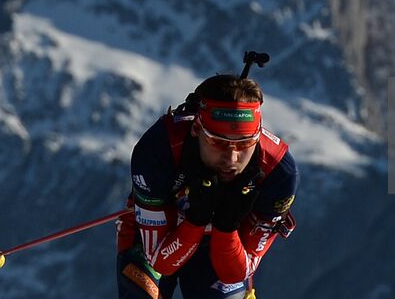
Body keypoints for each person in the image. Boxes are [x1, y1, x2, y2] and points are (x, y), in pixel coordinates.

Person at [116, 73, 298, 298]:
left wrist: (226, 226)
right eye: (218, 142)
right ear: (196, 129)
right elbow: (159, 261)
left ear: (258, 136)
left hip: (223, 244)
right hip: (159, 235)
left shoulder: (278, 172)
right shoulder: (158, 148)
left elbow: (237, 272)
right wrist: (196, 220)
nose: (231, 159)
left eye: (245, 144)